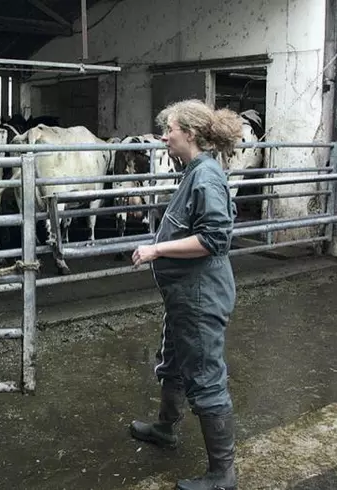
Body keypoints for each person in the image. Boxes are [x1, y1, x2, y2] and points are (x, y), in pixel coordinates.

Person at [129, 99, 241, 490]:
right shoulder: (195, 172)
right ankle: (165, 428)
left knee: (206, 376)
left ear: (189, 134)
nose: (164, 137)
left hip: (199, 296)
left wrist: (157, 249)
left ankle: (222, 474)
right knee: (174, 360)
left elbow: (214, 239)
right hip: (184, 294)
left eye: (170, 129)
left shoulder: (206, 177)